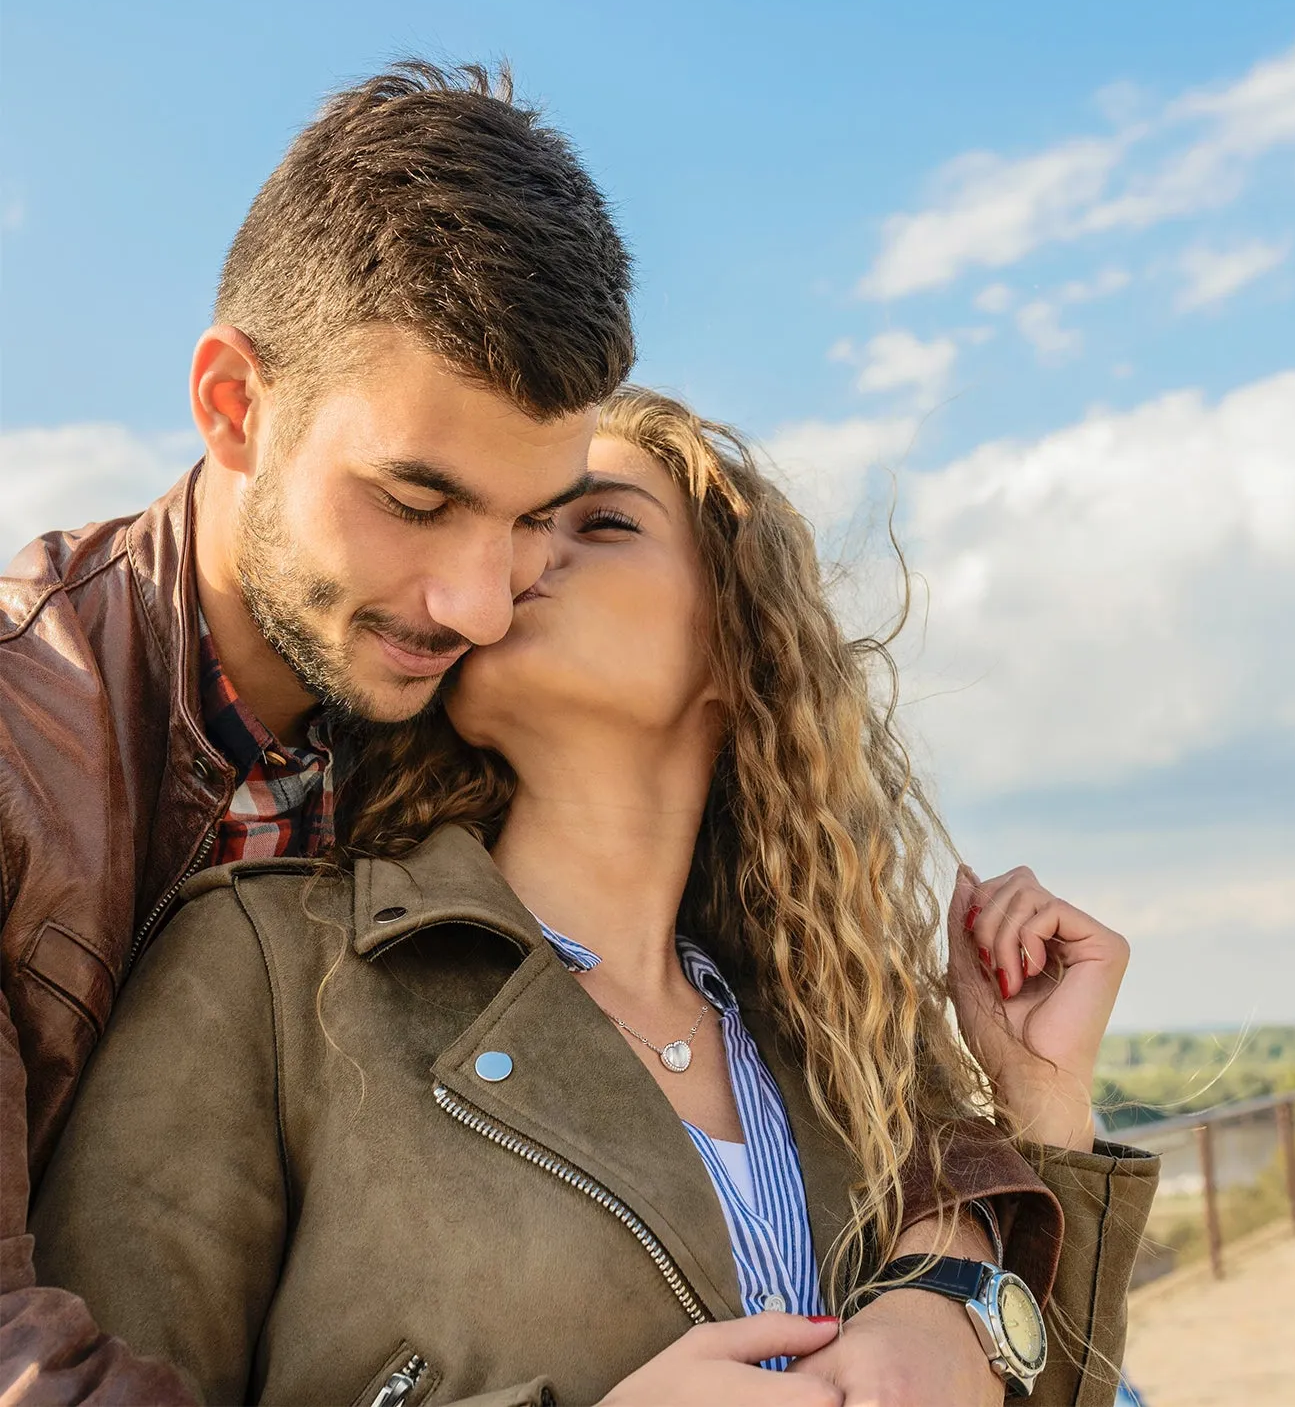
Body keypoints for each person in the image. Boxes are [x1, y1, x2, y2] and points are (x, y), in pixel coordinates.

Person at [31, 389, 1159, 1406]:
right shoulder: (270, 969)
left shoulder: (840, 1052)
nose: (519, 562)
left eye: (599, 523)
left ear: (739, 648)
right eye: (521, 527)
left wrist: (1041, 1108)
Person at [2, 59, 630, 1402]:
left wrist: (957, 1262)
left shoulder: (470, 712)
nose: (477, 601)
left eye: (533, 519)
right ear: (233, 406)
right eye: (415, 500)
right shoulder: (12, 747)